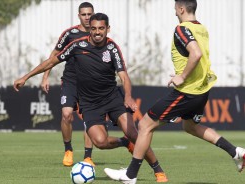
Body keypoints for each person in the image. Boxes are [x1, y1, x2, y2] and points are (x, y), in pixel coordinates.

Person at [14, 13, 168, 182]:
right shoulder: (76, 46)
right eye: (94, 28)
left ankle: (158, 170)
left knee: (133, 132)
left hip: (112, 98)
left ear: (107, 29)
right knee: (100, 142)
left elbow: (124, 76)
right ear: (89, 29)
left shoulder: (112, 48)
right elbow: (50, 62)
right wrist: (25, 77)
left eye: (101, 28)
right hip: (89, 103)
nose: (97, 32)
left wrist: (128, 96)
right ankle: (125, 143)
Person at [104, 0, 245, 183]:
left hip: (187, 91)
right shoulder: (201, 28)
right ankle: (236, 152)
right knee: (190, 126)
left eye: (175, 10)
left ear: (181, 8)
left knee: (144, 126)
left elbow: (196, 53)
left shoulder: (182, 29)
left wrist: (182, 77)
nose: (175, 13)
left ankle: (130, 175)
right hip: (202, 89)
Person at [40, 2, 96, 167]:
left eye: (89, 14)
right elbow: (54, 55)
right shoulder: (70, 34)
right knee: (66, 115)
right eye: (84, 14)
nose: (87, 17)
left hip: (90, 84)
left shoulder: (98, 34)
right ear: (79, 15)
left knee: (89, 120)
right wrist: (45, 77)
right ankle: (68, 150)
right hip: (70, 81)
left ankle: (87, 157)